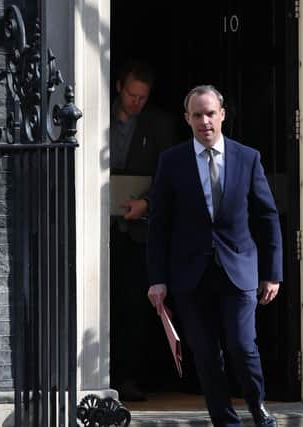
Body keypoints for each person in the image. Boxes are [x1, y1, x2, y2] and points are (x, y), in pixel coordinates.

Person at [146, 85, 282, 427]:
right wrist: (157, 279)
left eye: (210, 113)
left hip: (239, 268)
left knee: (241, 345)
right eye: (197, 115)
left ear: (222, 114)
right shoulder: (172, 160)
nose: (204, 121)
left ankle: (258, 407)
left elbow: (267, 216)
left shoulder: (247, 157)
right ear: (187, 119)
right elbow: (159, 223)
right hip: (191, 274)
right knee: (206, 355)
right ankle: (225, 421)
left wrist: (273, 272)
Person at [110, 59, 176, 401]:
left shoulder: (159, 125)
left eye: (143, 97)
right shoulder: (97, 117)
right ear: (120, 87)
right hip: (100, 228)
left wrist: (147, 203)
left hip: (139, 231)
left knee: (134, 305)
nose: (137, 102)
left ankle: (128, 377)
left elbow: (170, 176)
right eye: (133, 94)